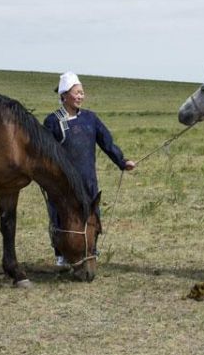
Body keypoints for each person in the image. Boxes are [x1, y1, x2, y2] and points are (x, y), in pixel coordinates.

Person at [43, 72, 136, 267]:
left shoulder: (90, 119)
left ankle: (91, 249)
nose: (80, 96)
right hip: (62, 183)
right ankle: (61, 254)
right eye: (76, 93)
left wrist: (122, 161)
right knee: (61, 218)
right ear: (64, 95)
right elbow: (45, 153)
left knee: (92, 216)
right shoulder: (53, 122)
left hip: (87, 179)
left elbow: (106, 142)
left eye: (82, 93)